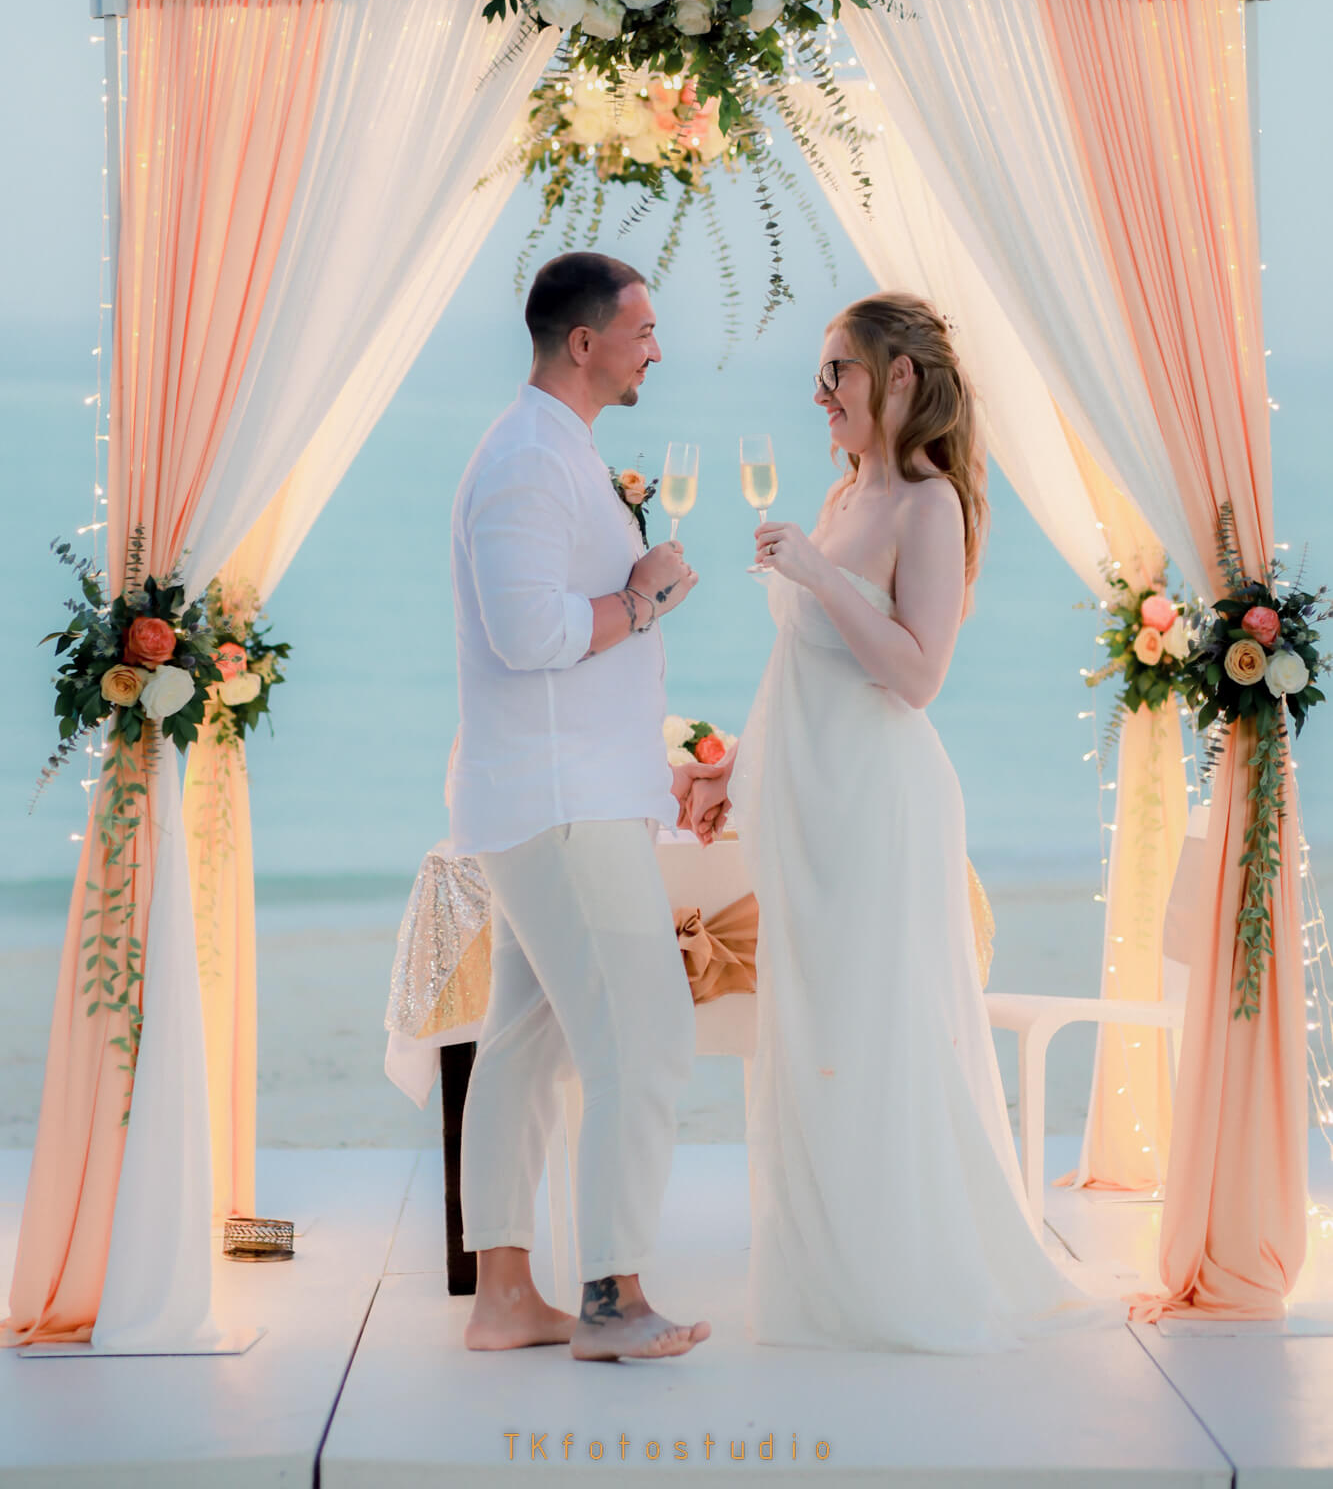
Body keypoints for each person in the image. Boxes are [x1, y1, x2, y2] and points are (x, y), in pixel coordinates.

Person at [694, 294, 1101, 1352]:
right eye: (821, 372)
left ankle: (897, 1275)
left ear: (901, 380)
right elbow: (802, 669)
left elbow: (916, 675)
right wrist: (732, 766)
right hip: (807, 803)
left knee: (876, 1034)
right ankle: (823, 1272)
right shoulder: (840, 493)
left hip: (877, 806)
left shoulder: (926, 507)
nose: (819, 392)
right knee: (811, 1037)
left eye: (838, 371)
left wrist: (820, 574)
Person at [451, 252, 715, 1361]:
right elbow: (529, 636)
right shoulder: (524, 459)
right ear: (581, 341)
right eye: (642, 328)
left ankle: (507, 1297)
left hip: (564, 791)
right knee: (645, 1039)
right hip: (559, 805)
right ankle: (612, 1299)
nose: (656, 346)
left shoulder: (559, 449)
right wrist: (643, 596)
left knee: (523, 1037)